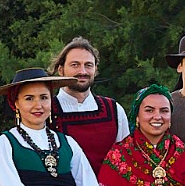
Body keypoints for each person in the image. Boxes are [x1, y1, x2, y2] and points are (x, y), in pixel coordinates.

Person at [47, 36, 130, 172]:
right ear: (61, 69)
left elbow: (124, 161)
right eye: (75, 65)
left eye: (88, 65)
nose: (83, 71)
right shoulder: (46, 111)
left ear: (95, 70)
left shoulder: (113, 110)